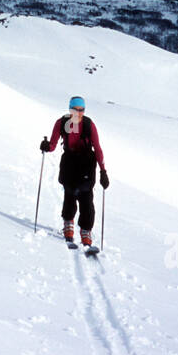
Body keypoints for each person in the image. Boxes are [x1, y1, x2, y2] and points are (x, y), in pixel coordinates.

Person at [39, 96, 109, 246]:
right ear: (70, 109)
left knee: (87, 200)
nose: (78, 113)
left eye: (81, 110)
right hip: (69, 161)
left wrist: (103, 171)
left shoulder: (89, 125)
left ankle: (85, 230)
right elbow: (52, 144)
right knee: (69, 194)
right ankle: (68, 224)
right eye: (75, 109)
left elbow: (97, 149)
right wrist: (46, 146)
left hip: (86, 163)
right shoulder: (62, 122)